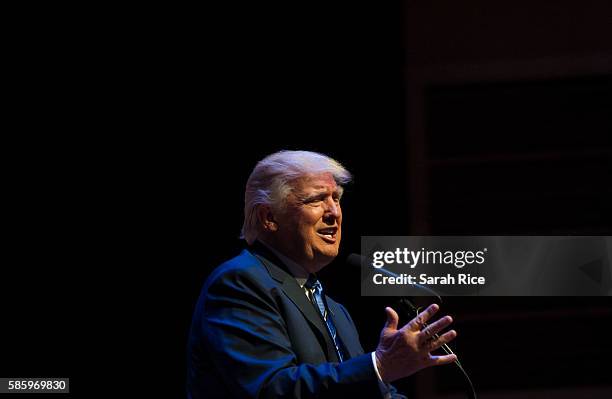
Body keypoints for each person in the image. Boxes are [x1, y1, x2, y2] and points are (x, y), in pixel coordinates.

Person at [187, 150, 458, 398]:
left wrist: (380, 374)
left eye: (336, 199)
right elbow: (271, 389)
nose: (334, 213)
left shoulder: (333, 309)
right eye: (316, 200)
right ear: (269, 218)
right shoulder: (240, 283)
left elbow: (360, 390)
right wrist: (379, 365)